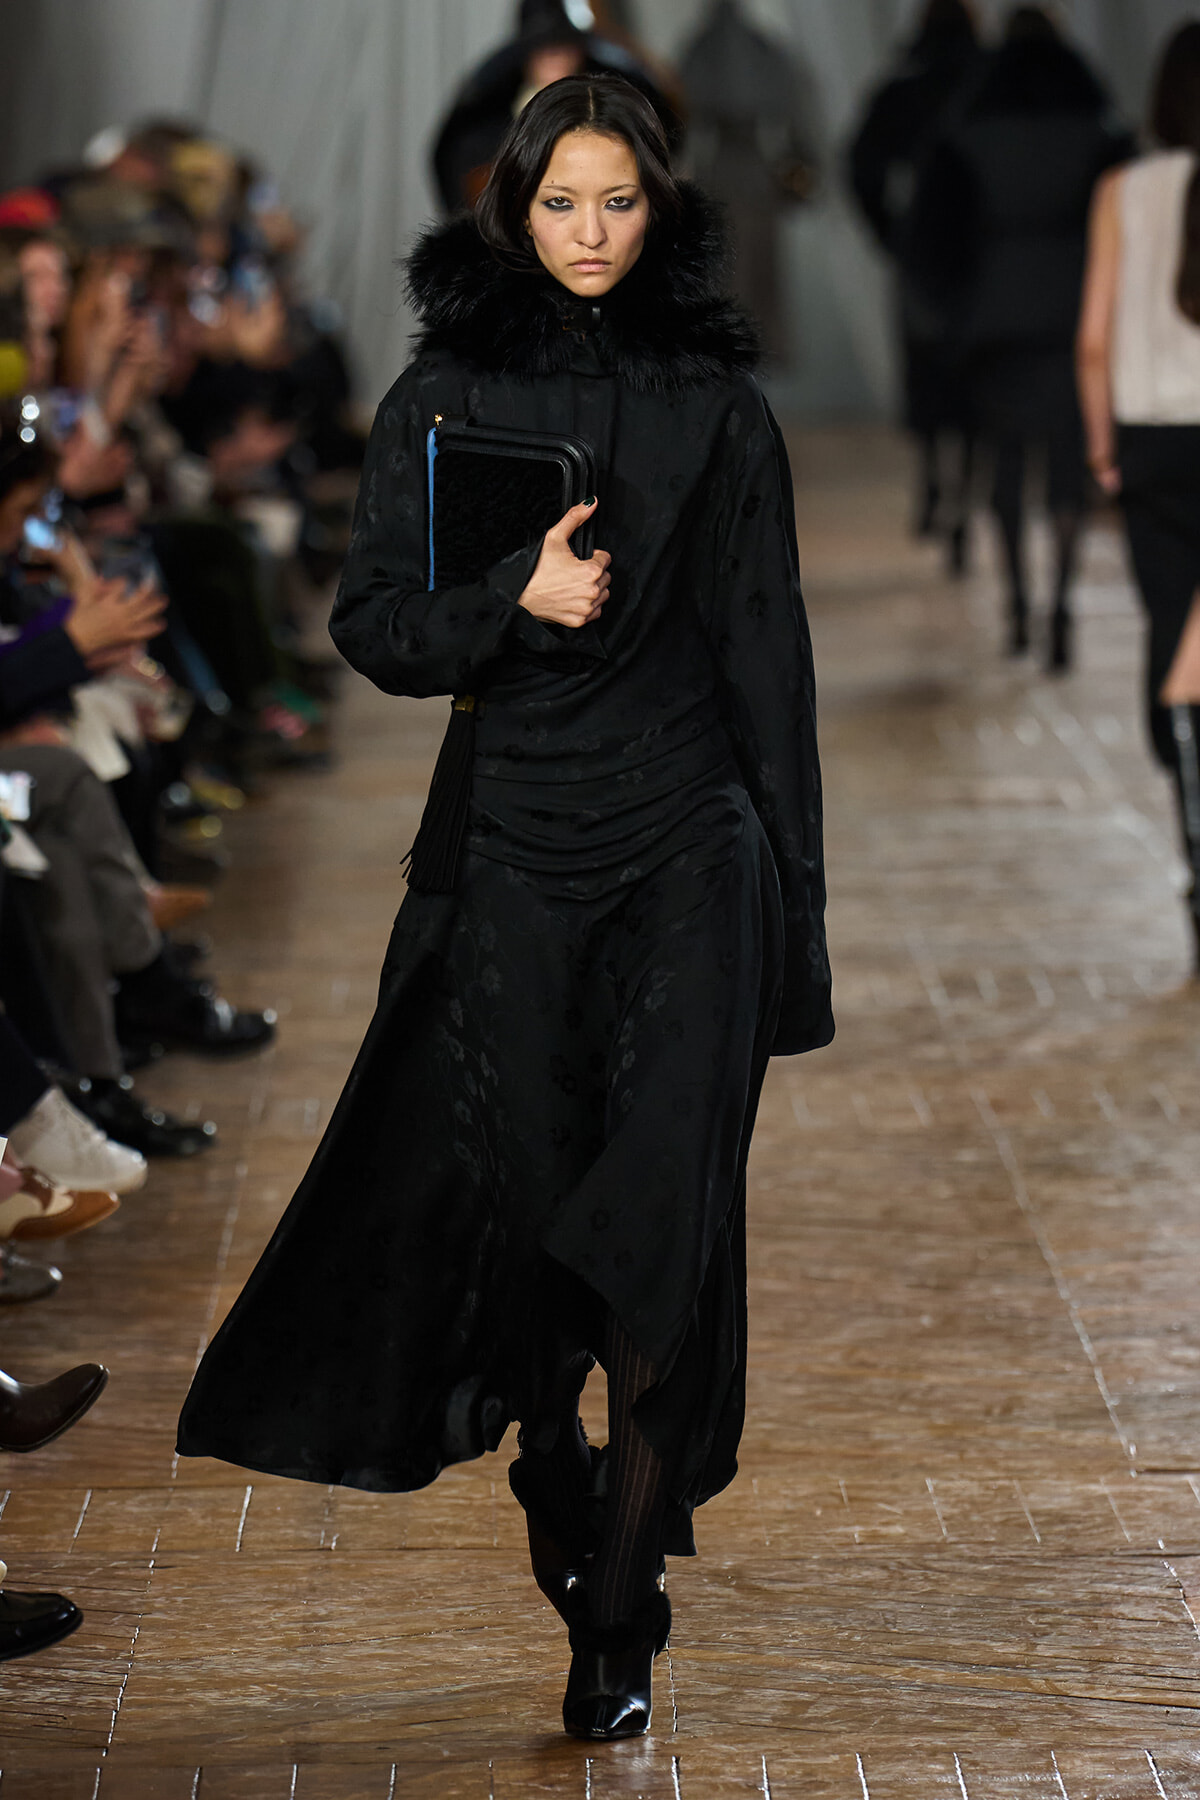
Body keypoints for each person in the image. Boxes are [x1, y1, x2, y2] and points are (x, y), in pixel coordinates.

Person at [178, 74, 832, 1742]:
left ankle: (617, 1609)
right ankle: (552, 1460)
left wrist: (799, 939)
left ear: (660, 210)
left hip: (694, 849)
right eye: (561, 203)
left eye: (618, 202)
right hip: (520, 852)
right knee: (538, 1220)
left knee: (664, 1231)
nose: (591, 233)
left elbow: (772, 670)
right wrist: (511, 594)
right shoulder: (442, 396)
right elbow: (374, 626)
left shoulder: (718, 410)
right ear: (512, 211)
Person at [908, 5, 1133, 664]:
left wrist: (950, 314)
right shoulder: (1096, 129)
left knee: (1005, 465)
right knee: (1065, 467)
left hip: (994, 322)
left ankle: (1017, 605)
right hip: (1074, 313)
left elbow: (931, 238)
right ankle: (1060, 602)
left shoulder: (968, 130)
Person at [1077, 20, 1200, 972]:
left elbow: (1094, 338)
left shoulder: (1124, 189)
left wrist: (1104, 450)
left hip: (1154, 445)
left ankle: (1196, 854)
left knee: (1172, 629)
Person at [847, 0, 982, 567]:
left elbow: (860, 165)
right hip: (980, 251)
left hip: (919, 250)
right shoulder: (986, 83)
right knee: (973, 380)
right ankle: (962, 498)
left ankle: (932, 482)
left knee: (926, 369)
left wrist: (890, 232)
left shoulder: (902, 88)